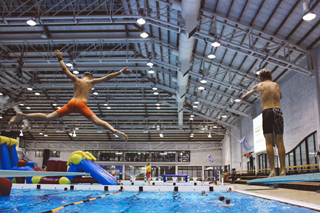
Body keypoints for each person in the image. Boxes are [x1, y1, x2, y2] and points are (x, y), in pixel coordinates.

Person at [9, 49, 132, 141]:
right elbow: (107, 77)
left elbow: (64, 70)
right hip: (81, 104)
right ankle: (113, 130)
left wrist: (60, 58)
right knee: (97, 121)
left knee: (48, 117)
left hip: (71, 102)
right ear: (90, 77)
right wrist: (121, 71)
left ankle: (23, 115)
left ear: (83, 76)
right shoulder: (91, 82)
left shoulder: (76, 80)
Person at [242, 68, 286, 177]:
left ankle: (272, 170)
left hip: (267, 112)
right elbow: (280, 96)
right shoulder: (276, 85)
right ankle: (283, 170)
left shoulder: (259, 86)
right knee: (280, 141)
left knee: (269, 142)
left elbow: (244, 97)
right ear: (271, 77)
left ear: (260, 78)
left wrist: (254, 90)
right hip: (277, 111)